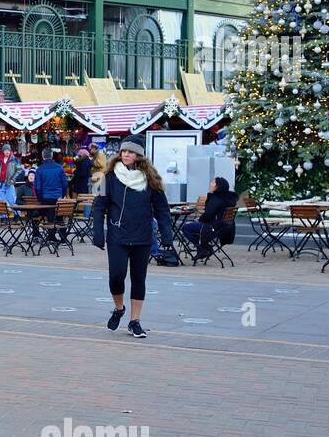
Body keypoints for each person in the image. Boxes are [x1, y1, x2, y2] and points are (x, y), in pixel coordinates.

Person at [91, 134, 173, 339]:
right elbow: (99, 207)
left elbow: (162, 209)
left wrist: (166, 235)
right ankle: (119, 309)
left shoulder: (151, 180)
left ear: (139, 156)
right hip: (118, 235)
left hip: (142, 236)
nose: (125, 154)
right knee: (116, 276)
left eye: (130, 151)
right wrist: (98, 233)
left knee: (139, 279)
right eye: (123, 151)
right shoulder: (107, 177)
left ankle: (135, 322)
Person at [183, 176, 239, 260]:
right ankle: (204, 247)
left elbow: (208, 215)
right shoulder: (227, 198)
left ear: (218, 186)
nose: (211, 184)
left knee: (185, 228)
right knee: (194, 227)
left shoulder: (216, 199)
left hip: (212, 228)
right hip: (224, 228)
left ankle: (203, 248)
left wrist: (199, 219)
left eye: (213, 182)